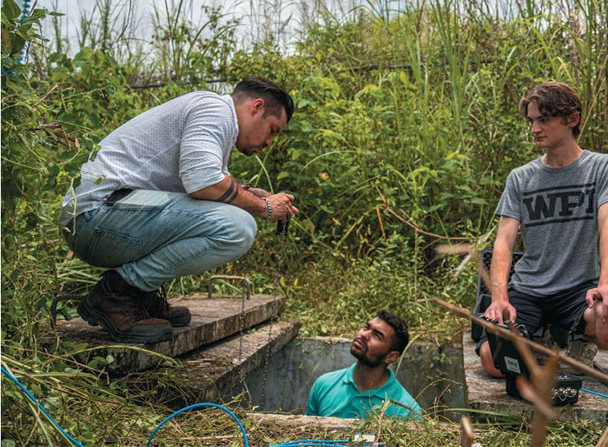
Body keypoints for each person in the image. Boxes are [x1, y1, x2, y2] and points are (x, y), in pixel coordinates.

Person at [59, 77, 299, 344]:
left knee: (231, 215)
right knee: (238, 227)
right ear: (256, 107)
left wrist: (248, 192)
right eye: (273, 130)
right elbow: (202, 182)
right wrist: (264, 207)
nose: (269, 144)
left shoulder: (217, 122)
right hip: (94, 217)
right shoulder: (214, 110)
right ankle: (117, 292)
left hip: (106, 215)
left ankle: (138, 295)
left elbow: (207, 182)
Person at [478, 81, 608, 378]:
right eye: (532, 121)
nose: (535, 129)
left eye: (544, 120)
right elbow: (503, 243)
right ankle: (536, 342)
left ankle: (576, 338)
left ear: (571, 119)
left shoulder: (603, 166)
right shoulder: (520, 178)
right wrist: (500, 298)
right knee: (492, 360)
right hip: (529, 288)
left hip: (578, 289)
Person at [305, 310, 423, 420]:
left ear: (391, 357)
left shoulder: (407, 411)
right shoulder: (324, 385)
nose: (364, 334)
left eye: (377, 335)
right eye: (366, 327)